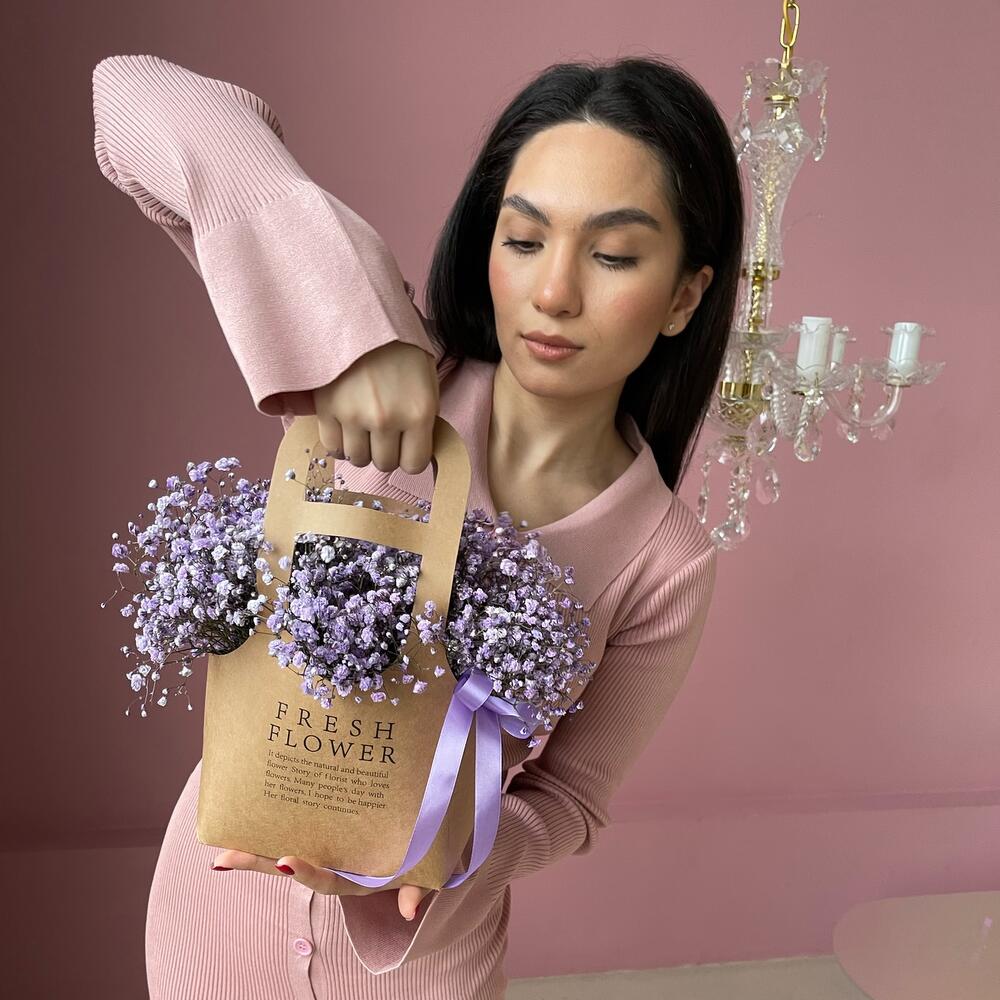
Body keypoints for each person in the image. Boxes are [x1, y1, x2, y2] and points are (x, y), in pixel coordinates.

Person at [92, 51, 742, 1000]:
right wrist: (354, 332)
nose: (554, 293)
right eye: (525, 240)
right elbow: (125, 95)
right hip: (217, 909)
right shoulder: (389, 374)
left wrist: (439, 852)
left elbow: (569, 801)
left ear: (684, 295)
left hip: (416, 963)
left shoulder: (664, 563)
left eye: (612, 255)